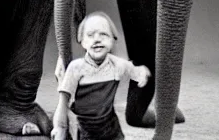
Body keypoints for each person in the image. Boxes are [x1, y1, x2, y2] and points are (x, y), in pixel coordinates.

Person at [51, 11, 151, 140]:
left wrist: (142, 73)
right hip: (87, 129)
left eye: (103, 34)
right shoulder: (76, 68)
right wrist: (60, 126)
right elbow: (63, 101)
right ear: (82, 42)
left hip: (111, 128)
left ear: (112, 40)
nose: (97, 39)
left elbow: (134, 71)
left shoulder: (117, 65)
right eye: (90, 35)